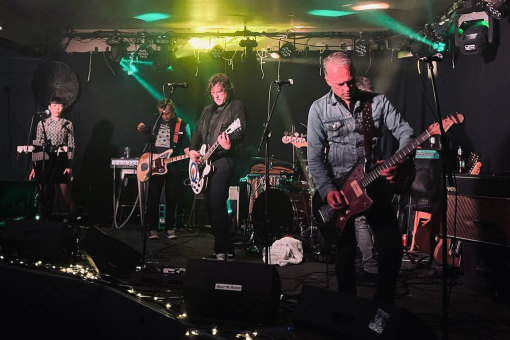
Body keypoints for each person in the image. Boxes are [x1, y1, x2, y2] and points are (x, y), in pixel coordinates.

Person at [307, 52, 415, 304]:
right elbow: (314, 158)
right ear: (327, 80)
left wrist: (398, 160)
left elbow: (405, 130)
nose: (346, 88)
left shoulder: (377, 102)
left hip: (373, 185)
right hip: (340, 189)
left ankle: (383, 304)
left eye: (350, 81)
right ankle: (348, 307)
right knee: (344, 254)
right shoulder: (318, 109)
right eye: (339, 84)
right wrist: (326, 190)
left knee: (391, 248)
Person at [189, 73, 246, 261]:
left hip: (224, 160)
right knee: (209, 205)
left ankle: (223, 249)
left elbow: (240, 130)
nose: (216, 96)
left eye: (219, 91)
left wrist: (231, 143)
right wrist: (192, 150)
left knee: (217, 202)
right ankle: (223, 249)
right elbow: (197, 132)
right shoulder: (207, 110)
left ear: (227, 90)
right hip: (206, 160)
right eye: (213, 92)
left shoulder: (236, 106)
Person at [137, 99, 190, 240]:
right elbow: (149, 138)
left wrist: (192, 155)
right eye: (163, 113)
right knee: (153, 196)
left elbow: (186, 148)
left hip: (173, 165)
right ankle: (152, 228)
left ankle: (170, 228)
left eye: (168, 113)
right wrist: (143, 130)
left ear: (173, 110)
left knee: (172, 197)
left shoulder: (182, 124)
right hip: (155, 164)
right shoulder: (155, 120)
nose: (165, 116)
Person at [29, 96, 78, 222]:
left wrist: (69, 165)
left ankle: (75, 223)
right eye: (55, 105)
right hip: (45, 161)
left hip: (61, 160)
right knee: (45, 194)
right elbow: (37, 145)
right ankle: (45, 222)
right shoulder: (42, 123)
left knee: (65, 194)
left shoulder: (67, 124)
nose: (58, 108)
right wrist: (34, 167)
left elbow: (71, 145)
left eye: (60, 105)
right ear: (49, 107)